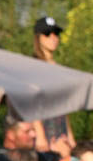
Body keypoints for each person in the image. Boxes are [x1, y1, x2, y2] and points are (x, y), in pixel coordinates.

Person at [30, 16, 77, 153]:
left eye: (56, 33)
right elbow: (33, 102)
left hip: (60, 126)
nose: (53, 37)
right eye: (47, 33)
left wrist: (70, 135)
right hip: (43, 127)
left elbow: (63, 105)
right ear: (38, 37)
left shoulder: (58, 68)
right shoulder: (34, 66)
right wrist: (40, 135)